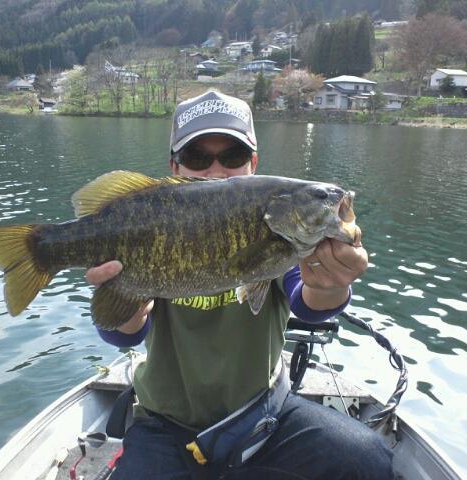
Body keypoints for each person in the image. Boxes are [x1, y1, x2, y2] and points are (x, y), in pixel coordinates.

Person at [87, 90, 393, 479]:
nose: (215, 171)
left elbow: (308, 299)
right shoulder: (149, 223)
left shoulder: (277, 233)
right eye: (198, 158)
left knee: (366, 461)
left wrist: (333, 282)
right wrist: (127, 307)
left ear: (253, 163)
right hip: (164, 424)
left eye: (231, 157)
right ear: (174, 168)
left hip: (264, 416)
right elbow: (125, 334)